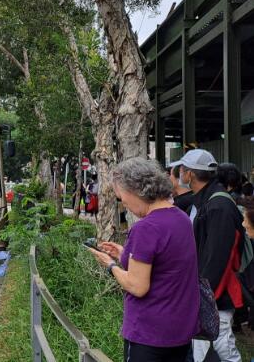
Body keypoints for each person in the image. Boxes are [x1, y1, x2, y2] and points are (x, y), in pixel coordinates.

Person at [87, 157, 199, 361]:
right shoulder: (181, 218)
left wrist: (110, 265)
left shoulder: (146, 228)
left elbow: (138, 286)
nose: (124, 204)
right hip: (181, 329)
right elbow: (164, 264)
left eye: (122, 197)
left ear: (135, 190)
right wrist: (123, 254)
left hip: (150, 333)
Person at [175, 149, 244, 362]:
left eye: (181, 169)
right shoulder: (207, 200)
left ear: (190, 174)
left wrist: (204, 297)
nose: (178, 173)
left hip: (216, 296)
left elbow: (216, 258)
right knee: (205, 350)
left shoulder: (218, 206)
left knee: (222, 349)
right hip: (209, 294)